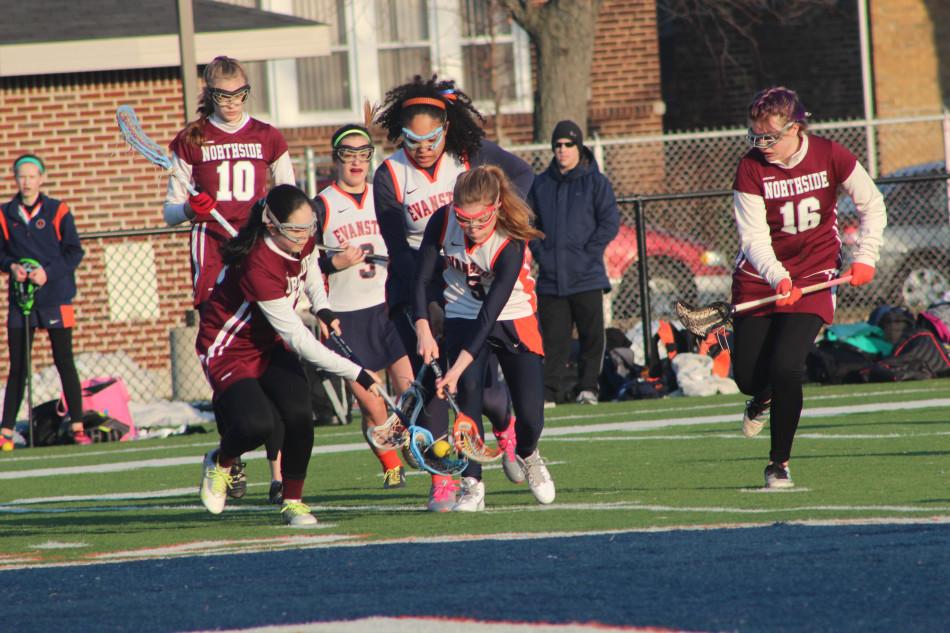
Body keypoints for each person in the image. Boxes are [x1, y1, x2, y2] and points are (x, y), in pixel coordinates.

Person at [373, 75, 535, 511]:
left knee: (474, 390)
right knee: (430, 386)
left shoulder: (469, 157)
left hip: (467, 287)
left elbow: (521, 174)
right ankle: (446, 478)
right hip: (417, 287)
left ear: (446, 130)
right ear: (400, 134)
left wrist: (508, 228)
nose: (423, 146)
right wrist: (428, 310)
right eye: (413, 138)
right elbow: (399, 249)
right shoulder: (389, 174)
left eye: (432, 138)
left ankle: (505, 426)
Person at [196, 184, 381, 525]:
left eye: (310, 227)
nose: (305, 235)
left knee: (299, 414)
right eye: (297, 230)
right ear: (272, 226)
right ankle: (220, 462)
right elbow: (298, 338)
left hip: (269, 344)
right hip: (228, 349)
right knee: (256, 425)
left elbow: (309, 268)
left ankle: (293, 500)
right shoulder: (258, 265)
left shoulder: (301, 237)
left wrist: (322, 308)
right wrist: (356, 371)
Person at [731, 86, 885, 488]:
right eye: (755, 136)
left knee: (787, 366)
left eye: (770, 136)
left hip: (816, 273)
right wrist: (777, 276)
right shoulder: (750, 168)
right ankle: (760, 396)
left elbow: (872, 204)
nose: (761, 144)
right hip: (759, 277)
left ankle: (778, 463)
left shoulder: (831, 154)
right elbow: (754, 238)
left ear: (795, 127)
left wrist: (866, 256)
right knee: (749, 376)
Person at [164, 55, 294, 497]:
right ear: (209, 94)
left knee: (269, 349)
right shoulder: (191, 140)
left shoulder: (267, 136)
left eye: (240, 94)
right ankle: (231, 457)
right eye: (223, 95)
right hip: (215, 259)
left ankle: (278, 474)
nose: (233, 103)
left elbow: (289, 196)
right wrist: (189, 209)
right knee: (226, 357)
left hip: (257, 254)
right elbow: (169, 211)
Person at [415, 165, 555, 511]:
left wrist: (454, 368)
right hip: (462, 312)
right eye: (465, 219)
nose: (473, 228)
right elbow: (420, 279)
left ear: (496, 207)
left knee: (531, 417)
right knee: (469, 399)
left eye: (481, 220)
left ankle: (527, 453)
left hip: (511, 316)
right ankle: (472, 483)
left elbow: (490, 315)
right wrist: (423, 328)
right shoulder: (442, 221)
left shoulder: (510, 238)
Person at [315, 124, 413, 489]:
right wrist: (332, 264)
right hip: (348, 317)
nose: (356, 162)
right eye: (348, 155)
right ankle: (390, 462)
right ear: (336, 158)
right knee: (374, 406)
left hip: (390, 307)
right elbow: (302, 261)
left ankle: (407, 444)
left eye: (363, 154)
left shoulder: (384, 195)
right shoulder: (321, 205)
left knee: (410, 392)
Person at [528, 120, 620, 407]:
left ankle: (588, 388)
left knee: (592, 337)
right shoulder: (541, 184)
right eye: (557, 145)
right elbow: (529, 225)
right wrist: (542, 254)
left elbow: (609, 222)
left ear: (579, 147)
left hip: (587, 277)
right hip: (551, 280)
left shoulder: (596, 182)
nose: (562, 150)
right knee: (553, 342)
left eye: (568, 145)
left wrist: (588, 253)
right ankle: (550, 393)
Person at [0, 154, 87, 450]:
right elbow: (2, 253)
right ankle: (7, 430)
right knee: (18, 366)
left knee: (64, 360)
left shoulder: (57, 210)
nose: (26, 181)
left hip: (55, 296)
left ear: (41, 178)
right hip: (21, 300)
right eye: (20, 176)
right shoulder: (5, 213)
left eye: (31, 175)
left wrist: (46, 274)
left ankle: (77, 425)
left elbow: (74, 251)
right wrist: (12, 266)